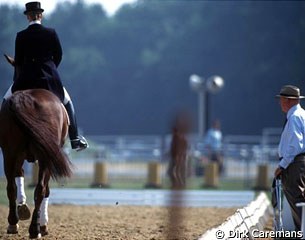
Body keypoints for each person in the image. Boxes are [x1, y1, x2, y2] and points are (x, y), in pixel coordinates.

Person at [2, 1, 88, 151]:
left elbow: (19, 61)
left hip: (25, 80)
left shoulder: (21, 36)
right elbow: (59, 55)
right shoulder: (51, 33)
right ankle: (75, 139)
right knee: (68, 102)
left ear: (28, 17)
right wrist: (50, 70)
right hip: (49, 79)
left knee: (4, 101)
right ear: (40, 15)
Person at [274, 85, 305, 231]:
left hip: (295, 164)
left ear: (288, 100)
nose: (280, 103)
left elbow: (294, 146)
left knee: (297, 199)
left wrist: (282, 165)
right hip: (299, 162)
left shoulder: (294, 117)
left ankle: (302, 231)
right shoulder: (301, 115)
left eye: (281, 100)